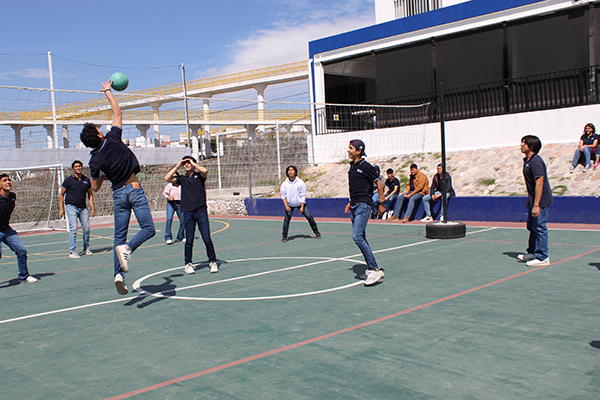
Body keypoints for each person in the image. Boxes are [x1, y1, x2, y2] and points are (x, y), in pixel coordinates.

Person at [80, 79, 156, 295]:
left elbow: (93, 188)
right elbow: (118, 113)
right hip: (133, 190)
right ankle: (129, 249)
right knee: (148, 229)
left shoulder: (94, 160)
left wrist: (103, 177)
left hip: (118, 194)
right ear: (99, 134)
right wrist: (107, 92)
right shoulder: (113, 138)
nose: (100, 127)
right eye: (97, 128)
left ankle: (118, 275)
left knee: (117, 238)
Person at [165, 156, 218, 275]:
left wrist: (194, 163)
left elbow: (205, 171)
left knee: (206, 237)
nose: (187, 164)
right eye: (185, 163)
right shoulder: (182, 179)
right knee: (189, 239)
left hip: (201, 211)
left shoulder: (199, 176)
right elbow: (167, 178)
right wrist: (177, 166)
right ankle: (188, 263)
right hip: (187, 212)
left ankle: (212, 261)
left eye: (188, 162)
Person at [345, 139, 385, 286]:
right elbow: (356, 187)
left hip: (363, 205)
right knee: (361, 236)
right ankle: (371, 267)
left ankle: (374, 269)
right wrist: (350, 202)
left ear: (358, 151)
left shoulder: (365, 166)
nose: (348, 150)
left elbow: (379, 183)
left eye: (350, 148)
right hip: (355, 205)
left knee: (357, 237)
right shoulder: (352, 166)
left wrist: (381, 203)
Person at [518, 135, 553, 267]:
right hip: (533, 200)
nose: (521, 145)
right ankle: (533, 252)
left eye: (524, 143)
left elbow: (539, 183)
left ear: (531, 147)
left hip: (541, 201)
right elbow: (531, 185)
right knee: (532, 227)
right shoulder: (528, 161)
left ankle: (543, 256)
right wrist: (530, 199)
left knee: (539, 227)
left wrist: (536, 204)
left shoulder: (536, 162)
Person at [0, 174, 37, 283]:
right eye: (4, 180)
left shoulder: (12, 196)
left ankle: (24, 275)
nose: (8, 182)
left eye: (9, 180)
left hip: (6, 229)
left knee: (21, 250)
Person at [59, 160, 95, 258]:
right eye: (76, 166)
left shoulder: (86, 180)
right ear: (73, 169)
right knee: (73, 228)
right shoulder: (68, 180)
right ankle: (72, 251)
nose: (78, 168)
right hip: (71, 206)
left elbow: (90, 195)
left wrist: (92, 208)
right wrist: (61, 209)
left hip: (83, 208)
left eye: (80, 166)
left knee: (86, 229)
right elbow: (62, 195)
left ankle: (86, 248)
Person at [280, 165, 321, 242]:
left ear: (295, 172)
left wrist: (302, 206)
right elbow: (283, 196)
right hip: (289, 204)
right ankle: (284, 236)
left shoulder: (300, 182)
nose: (290, 171)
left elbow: (302, 195)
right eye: (289, 170)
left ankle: (316, 231)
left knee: (309, 217)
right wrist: (286, 206)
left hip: (300, 203)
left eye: (292, 170)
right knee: (286, 220)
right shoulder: (284, 184)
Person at [162, 172, 185, 244]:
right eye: (172, 177)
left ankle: (180, 236)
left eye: (175, 176)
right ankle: (168, 237)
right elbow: (164, 193)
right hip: (171, 204)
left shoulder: (182, 185)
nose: (174, 178)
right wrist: (168, 197)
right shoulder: (169, 185)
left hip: (180, 204)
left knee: (183, 220)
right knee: (169, 219)